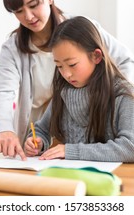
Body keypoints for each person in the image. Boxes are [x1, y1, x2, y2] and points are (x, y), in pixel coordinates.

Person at [0, 0, 134, 160]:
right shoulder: (14, 49)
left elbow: (125, 60)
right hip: (46, 140)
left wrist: (108, 97)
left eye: (33, 5)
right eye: (18, 11)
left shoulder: (82, 30)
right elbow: (4, 93)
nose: (28, 16)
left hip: (94, 141)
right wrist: (5, 129)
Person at [24, 16, 134, 162]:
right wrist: (37, 141)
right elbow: (41, 129)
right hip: (73, 180)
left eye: (72, 64)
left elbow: (129, 147)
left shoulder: (122, 94)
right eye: (59, 66)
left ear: (96, 56)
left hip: (112, 180)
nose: (66, 74)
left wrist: (70, 151)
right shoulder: (63, 93)